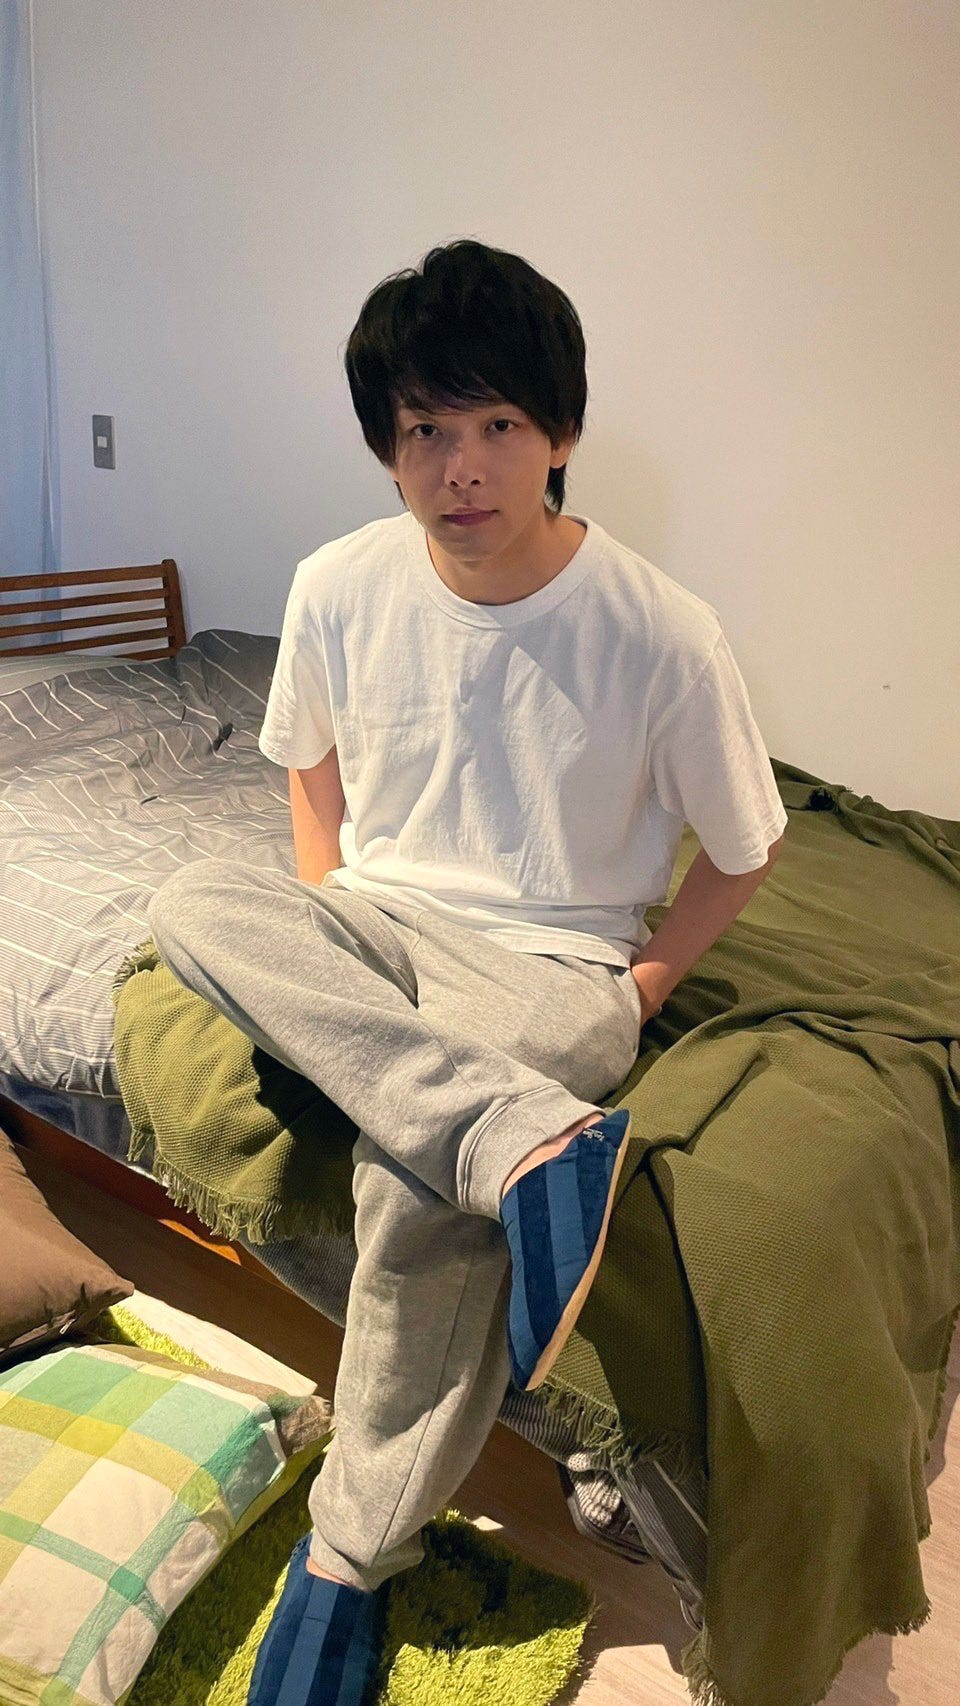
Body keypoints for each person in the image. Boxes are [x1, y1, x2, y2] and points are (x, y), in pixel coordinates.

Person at [146, 237, 787, 1706]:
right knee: (188, 899)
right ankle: (519, 1143)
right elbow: (309, 773)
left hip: (554, 964)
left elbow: (746, 848)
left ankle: (345, 1559)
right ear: (388, 447)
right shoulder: (338, 584)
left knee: (407, 1180)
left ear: (561, 431)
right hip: (384, 926)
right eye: (426, 429)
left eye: (499, 422)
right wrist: (334, 936)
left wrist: (638, 991)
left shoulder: (662, 631)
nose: (463, 466)